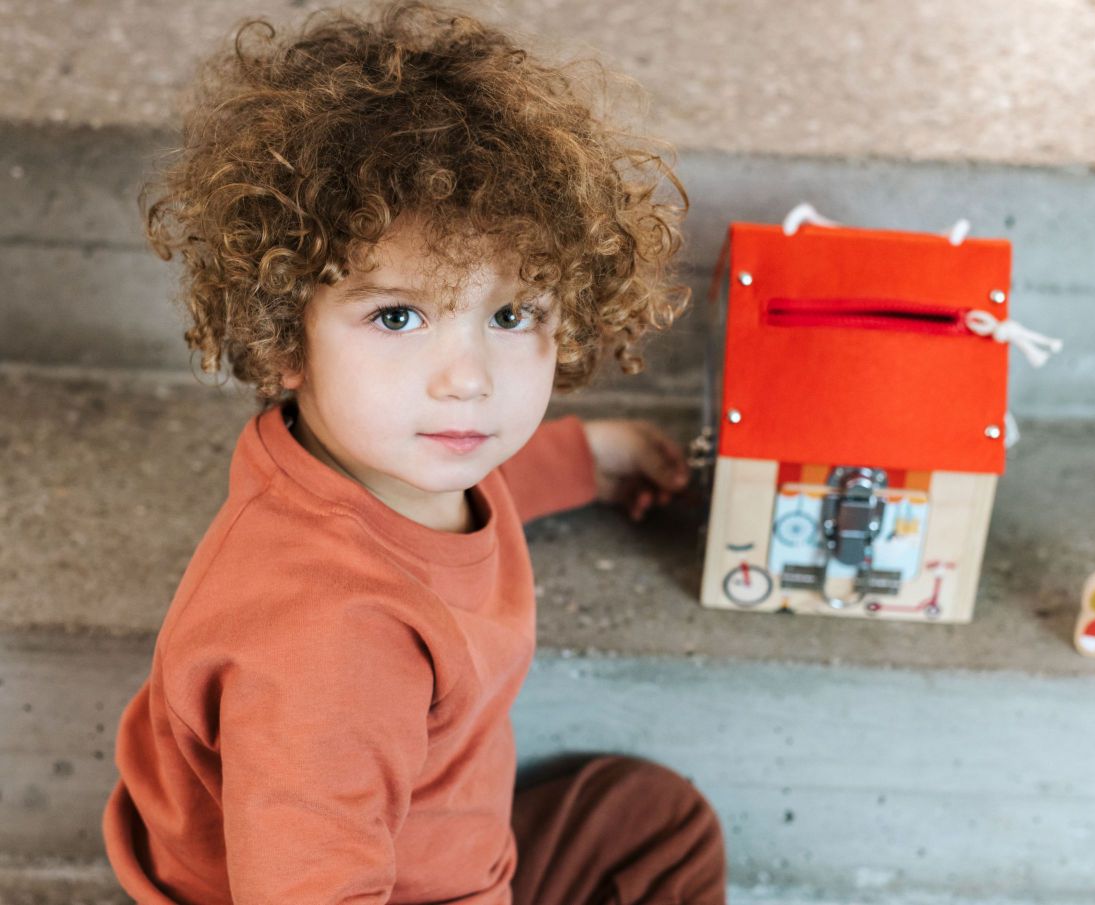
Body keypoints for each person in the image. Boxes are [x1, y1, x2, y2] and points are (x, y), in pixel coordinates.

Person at [100, 3, 727, 902]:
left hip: (434, 841)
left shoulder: (397, 459)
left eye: (512, 316)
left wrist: (591, 455)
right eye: (398, 316)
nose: (466, 379)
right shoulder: (328, 641)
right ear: (285, 335)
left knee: (652, 821)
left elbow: (492, 476)